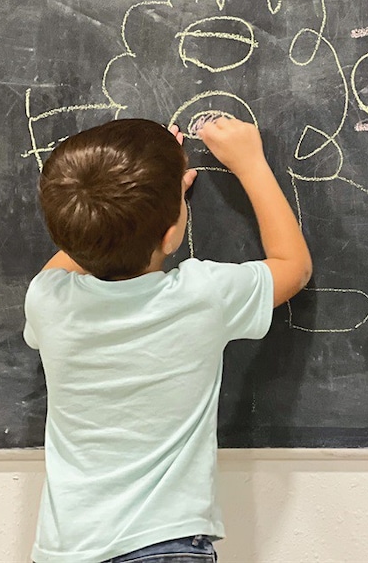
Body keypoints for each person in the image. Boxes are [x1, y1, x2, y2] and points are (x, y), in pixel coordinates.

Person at [23, 116, 312, 563]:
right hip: (165, 544)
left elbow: (76, 250)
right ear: (172, 233)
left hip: (65, 549)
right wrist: (250, 164)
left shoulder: (47, 301)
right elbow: (293, 265)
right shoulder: (202, 295)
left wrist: (136, 188)